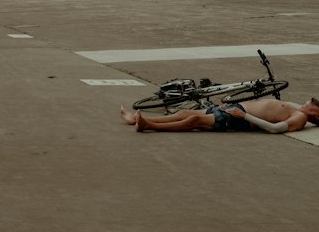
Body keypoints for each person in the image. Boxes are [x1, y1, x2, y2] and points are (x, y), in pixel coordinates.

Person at [120, 96, 319, 133]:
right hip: (235, 108)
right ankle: (135, 120)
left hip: (238, 117)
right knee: (184, 111)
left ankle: (149, 125)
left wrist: (245, 117)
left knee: (194, 120)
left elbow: (275, 128)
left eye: (312, 106)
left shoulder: (299, 118)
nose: (308, 103)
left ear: (316, 116)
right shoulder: (298, 109)